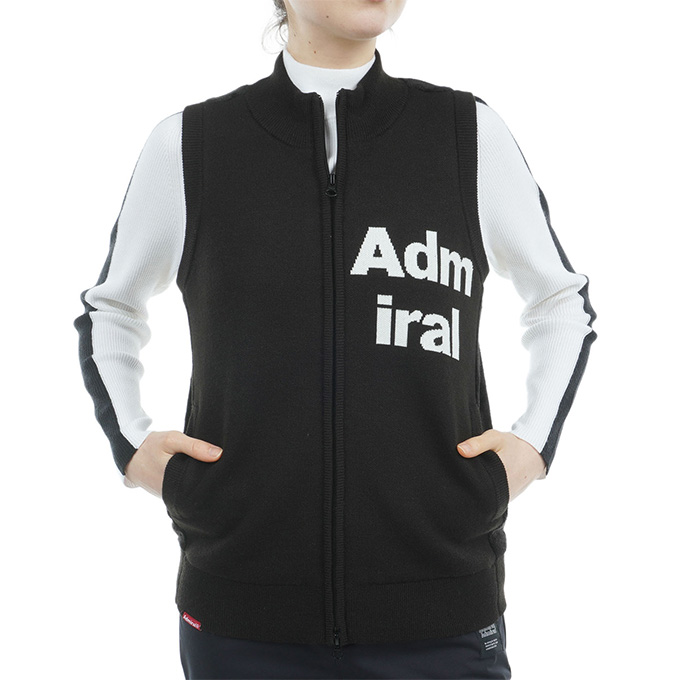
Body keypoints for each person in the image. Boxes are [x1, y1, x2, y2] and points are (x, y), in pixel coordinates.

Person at [73, 0, 597, 678]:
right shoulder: (194, 144)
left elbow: (560, 301)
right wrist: (134, 447)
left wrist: (530, 448)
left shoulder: (464, 134)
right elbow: (110, 309)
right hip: (242, 617)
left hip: (442, 613)